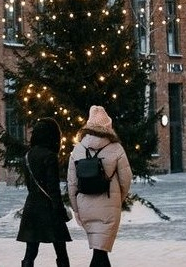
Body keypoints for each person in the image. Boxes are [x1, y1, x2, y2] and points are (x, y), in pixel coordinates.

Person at [68, 106, 131, 267]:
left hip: (85, 205)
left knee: (99, 250)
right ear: (108, 127)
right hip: (109, 205)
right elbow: (126, 178)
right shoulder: (116, 148)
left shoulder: (78, 149)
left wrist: (76, 208)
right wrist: (119, 198)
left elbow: (72, 183)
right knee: (100, 252)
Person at [18, 117, 71, 267]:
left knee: (30, 250)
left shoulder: (27, 156)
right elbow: (53, 188)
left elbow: (30, 185)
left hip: (32, 206)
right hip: (49, 208)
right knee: (60, 249)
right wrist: (60, 210)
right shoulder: (50, 156)